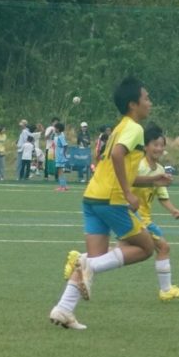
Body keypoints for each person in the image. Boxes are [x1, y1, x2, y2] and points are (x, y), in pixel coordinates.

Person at [49, 77, 158, 331]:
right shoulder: (134, 128)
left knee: (96, 257)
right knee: (146, 247)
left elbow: (117, 166)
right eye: (146, 98)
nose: (150, 103)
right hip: (111, 199)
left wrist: (151, 180)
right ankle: (88, 265)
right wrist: (128, 194)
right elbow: (118, 155)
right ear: (133, 104)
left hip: (93, 196)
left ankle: (64, 308)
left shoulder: (119, 127)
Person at [135, 123, 179, 302]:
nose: (159, 148)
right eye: (155, 144)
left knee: (122, 251)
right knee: (163, 247)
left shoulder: (159, 169)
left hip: (144, 218)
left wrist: (173, 210)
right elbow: (128, 182)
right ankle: (166, 290)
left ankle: (83, 261)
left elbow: (162, 195)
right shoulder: (138, 166)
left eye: (161, 145)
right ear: (145, 146)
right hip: (135, 216)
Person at [54, 121, 69, 191]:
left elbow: (65, 145)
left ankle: (62, 186)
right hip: (58, 155)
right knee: (60, 171)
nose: (54, 129)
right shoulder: (58, 136)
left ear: (58, 129)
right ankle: (64, 186)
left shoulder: (60, 136)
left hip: (60, 156)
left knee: (60, 171)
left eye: (55, 128)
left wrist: (64, 153)